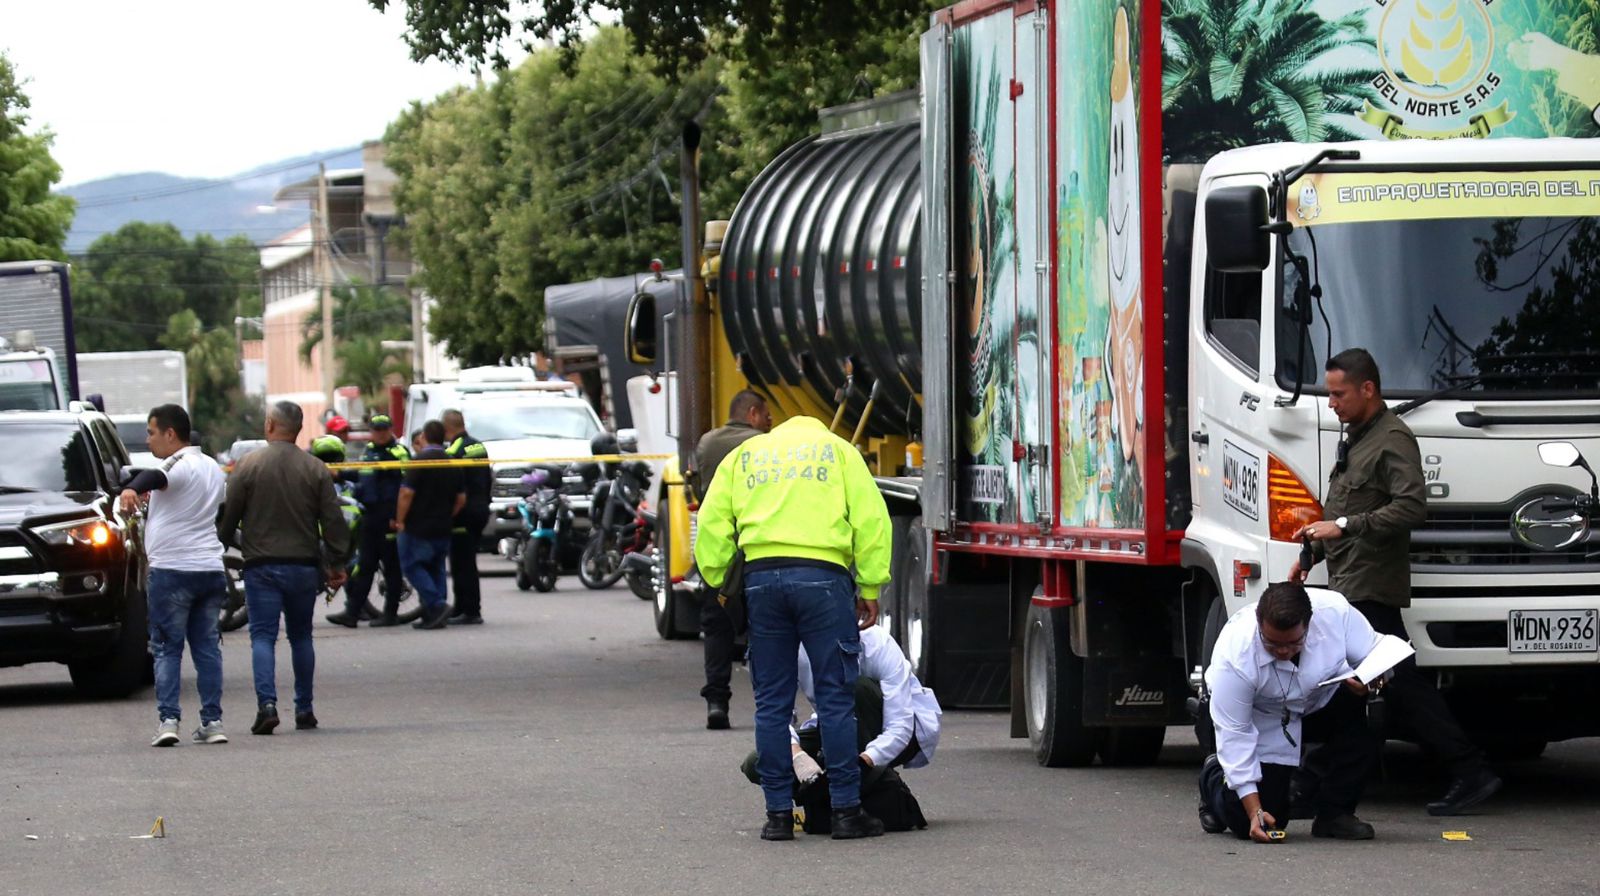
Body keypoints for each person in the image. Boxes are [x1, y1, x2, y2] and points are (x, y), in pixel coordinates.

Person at [1291, 348, 1501, 816]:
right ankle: (1319, 782)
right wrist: (1311, 555)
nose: (1331, 403)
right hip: (1350, 579)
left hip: (1372, 583)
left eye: (1339, 394)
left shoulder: (1392, 439)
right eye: (1329, 394)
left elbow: (1411, 508)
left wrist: (1344, 529)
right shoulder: (1358, 436)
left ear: (1368, 389)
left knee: (1385, 682)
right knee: (1381, 682)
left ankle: (1315, 783)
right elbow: (1340, 506)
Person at [694, 413, 893, 842]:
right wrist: (870, 583)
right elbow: (872, 520)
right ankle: (845, 811)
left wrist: (720, 578)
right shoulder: (839, 452)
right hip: (824, 578)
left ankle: (778, 816)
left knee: (771, 702)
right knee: (835, 698)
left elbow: (710, 522)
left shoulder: (747, 454)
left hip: (762, 579)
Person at [1200, 582, 1388, 842]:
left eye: (1293, 642)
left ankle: (1335, 813)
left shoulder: (1335, 613)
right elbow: (1236, 734)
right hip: (1260, 716)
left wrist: (1373, 679)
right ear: (1259, 624)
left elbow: (1377, 653)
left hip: (1317, 700)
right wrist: (1254, 809)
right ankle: (1213, 776)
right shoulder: (1235, 654)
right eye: (1272, 643)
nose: (1283, 651)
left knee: (1373, 711)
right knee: (1255, 822)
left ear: (1310, 625)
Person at [218, 401, 350, 735]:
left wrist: (219, 546)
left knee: (262, 636)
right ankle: (304, 708)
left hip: (261, 566)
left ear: (271, 425)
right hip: (304, 566)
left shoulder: (247, 466)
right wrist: (336, 562)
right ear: (299, 429)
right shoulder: (315, 468)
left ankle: (267, 705)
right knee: (301, 636)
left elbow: (228, 515)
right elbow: (333, 520)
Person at [120, 404, 229, 747]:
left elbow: (156, 477)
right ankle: (212, 722)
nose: (148, 440)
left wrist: (130, 489)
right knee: (207, 649)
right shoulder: (213, 467)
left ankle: (169, 720)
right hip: (210, 569)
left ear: (170, 434)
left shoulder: (177, 464)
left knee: (167, 648)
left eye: (151, 433)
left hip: (173, 571)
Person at [740, 624, 942, 784]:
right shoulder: (792, 648)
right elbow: (775, 716)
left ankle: (870, 784)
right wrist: (798, 756)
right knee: (757, 762)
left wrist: (866, 761)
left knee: (856, 688)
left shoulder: (876, 642)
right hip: (834, 726)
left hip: (899, 736)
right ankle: (821, 796)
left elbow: (900, 726)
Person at [691, 390, 772, 730]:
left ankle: (716, 701)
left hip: (718, 552)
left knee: (716, 626)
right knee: (766, 628)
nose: (770, 424)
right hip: (756, 549)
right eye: (767, 416)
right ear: (752, 413)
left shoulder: (706, 442)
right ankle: (770, 704)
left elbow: (697, 491)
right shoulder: (763, 446)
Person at [329, 415, 413, 628]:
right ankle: (352, 613)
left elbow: (407, 486)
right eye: (376, 429)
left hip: (389, 518)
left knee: (392, 568)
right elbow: (360, 473)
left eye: (383, 429)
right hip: (369, 516)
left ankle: (390, 614)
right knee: (365, 567)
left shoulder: (399, 453)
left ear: (390, 429)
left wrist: (398, 517)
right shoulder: (369, 450)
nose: (380, 433)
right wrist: (338, 475)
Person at [395, 420, 464, 630]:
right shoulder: (452, 462)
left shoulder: (419, 461)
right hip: (442, 524)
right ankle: (433, 614)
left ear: (424, 436)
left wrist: (400, 520)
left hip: (418, 524)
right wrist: (447, 514)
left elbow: (406, 493)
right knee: (436, 567)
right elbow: (461, 498)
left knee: (412, 565)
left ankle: (436, 604)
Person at [441, 408, 490, 625]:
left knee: (462, 562)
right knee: (466, 560)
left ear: (446, 428)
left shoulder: (454, 450)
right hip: (480, 507)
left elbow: (452, 485)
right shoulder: (478, 445)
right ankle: (462, 607)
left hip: (464, 511)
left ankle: (470, 610)